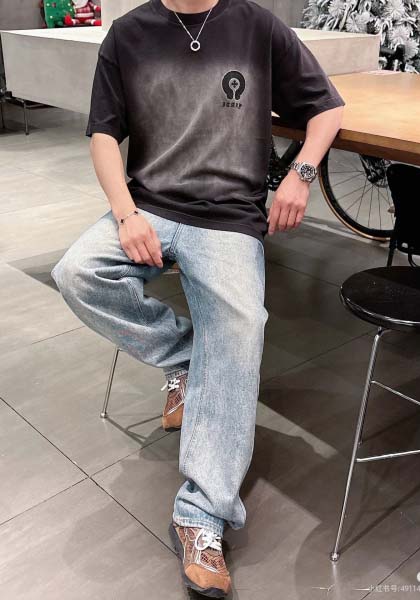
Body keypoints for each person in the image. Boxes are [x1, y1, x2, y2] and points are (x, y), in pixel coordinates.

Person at [51, 0, 345, 596]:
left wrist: (301, 174)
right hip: (150, 207)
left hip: (228, 217)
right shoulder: (129, 34)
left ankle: (202, 514)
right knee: (78, 272)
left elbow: (328, 108)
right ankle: (188, 359)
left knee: (241, 325)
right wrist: (126, 214)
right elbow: (104, 135)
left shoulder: (256, 25)